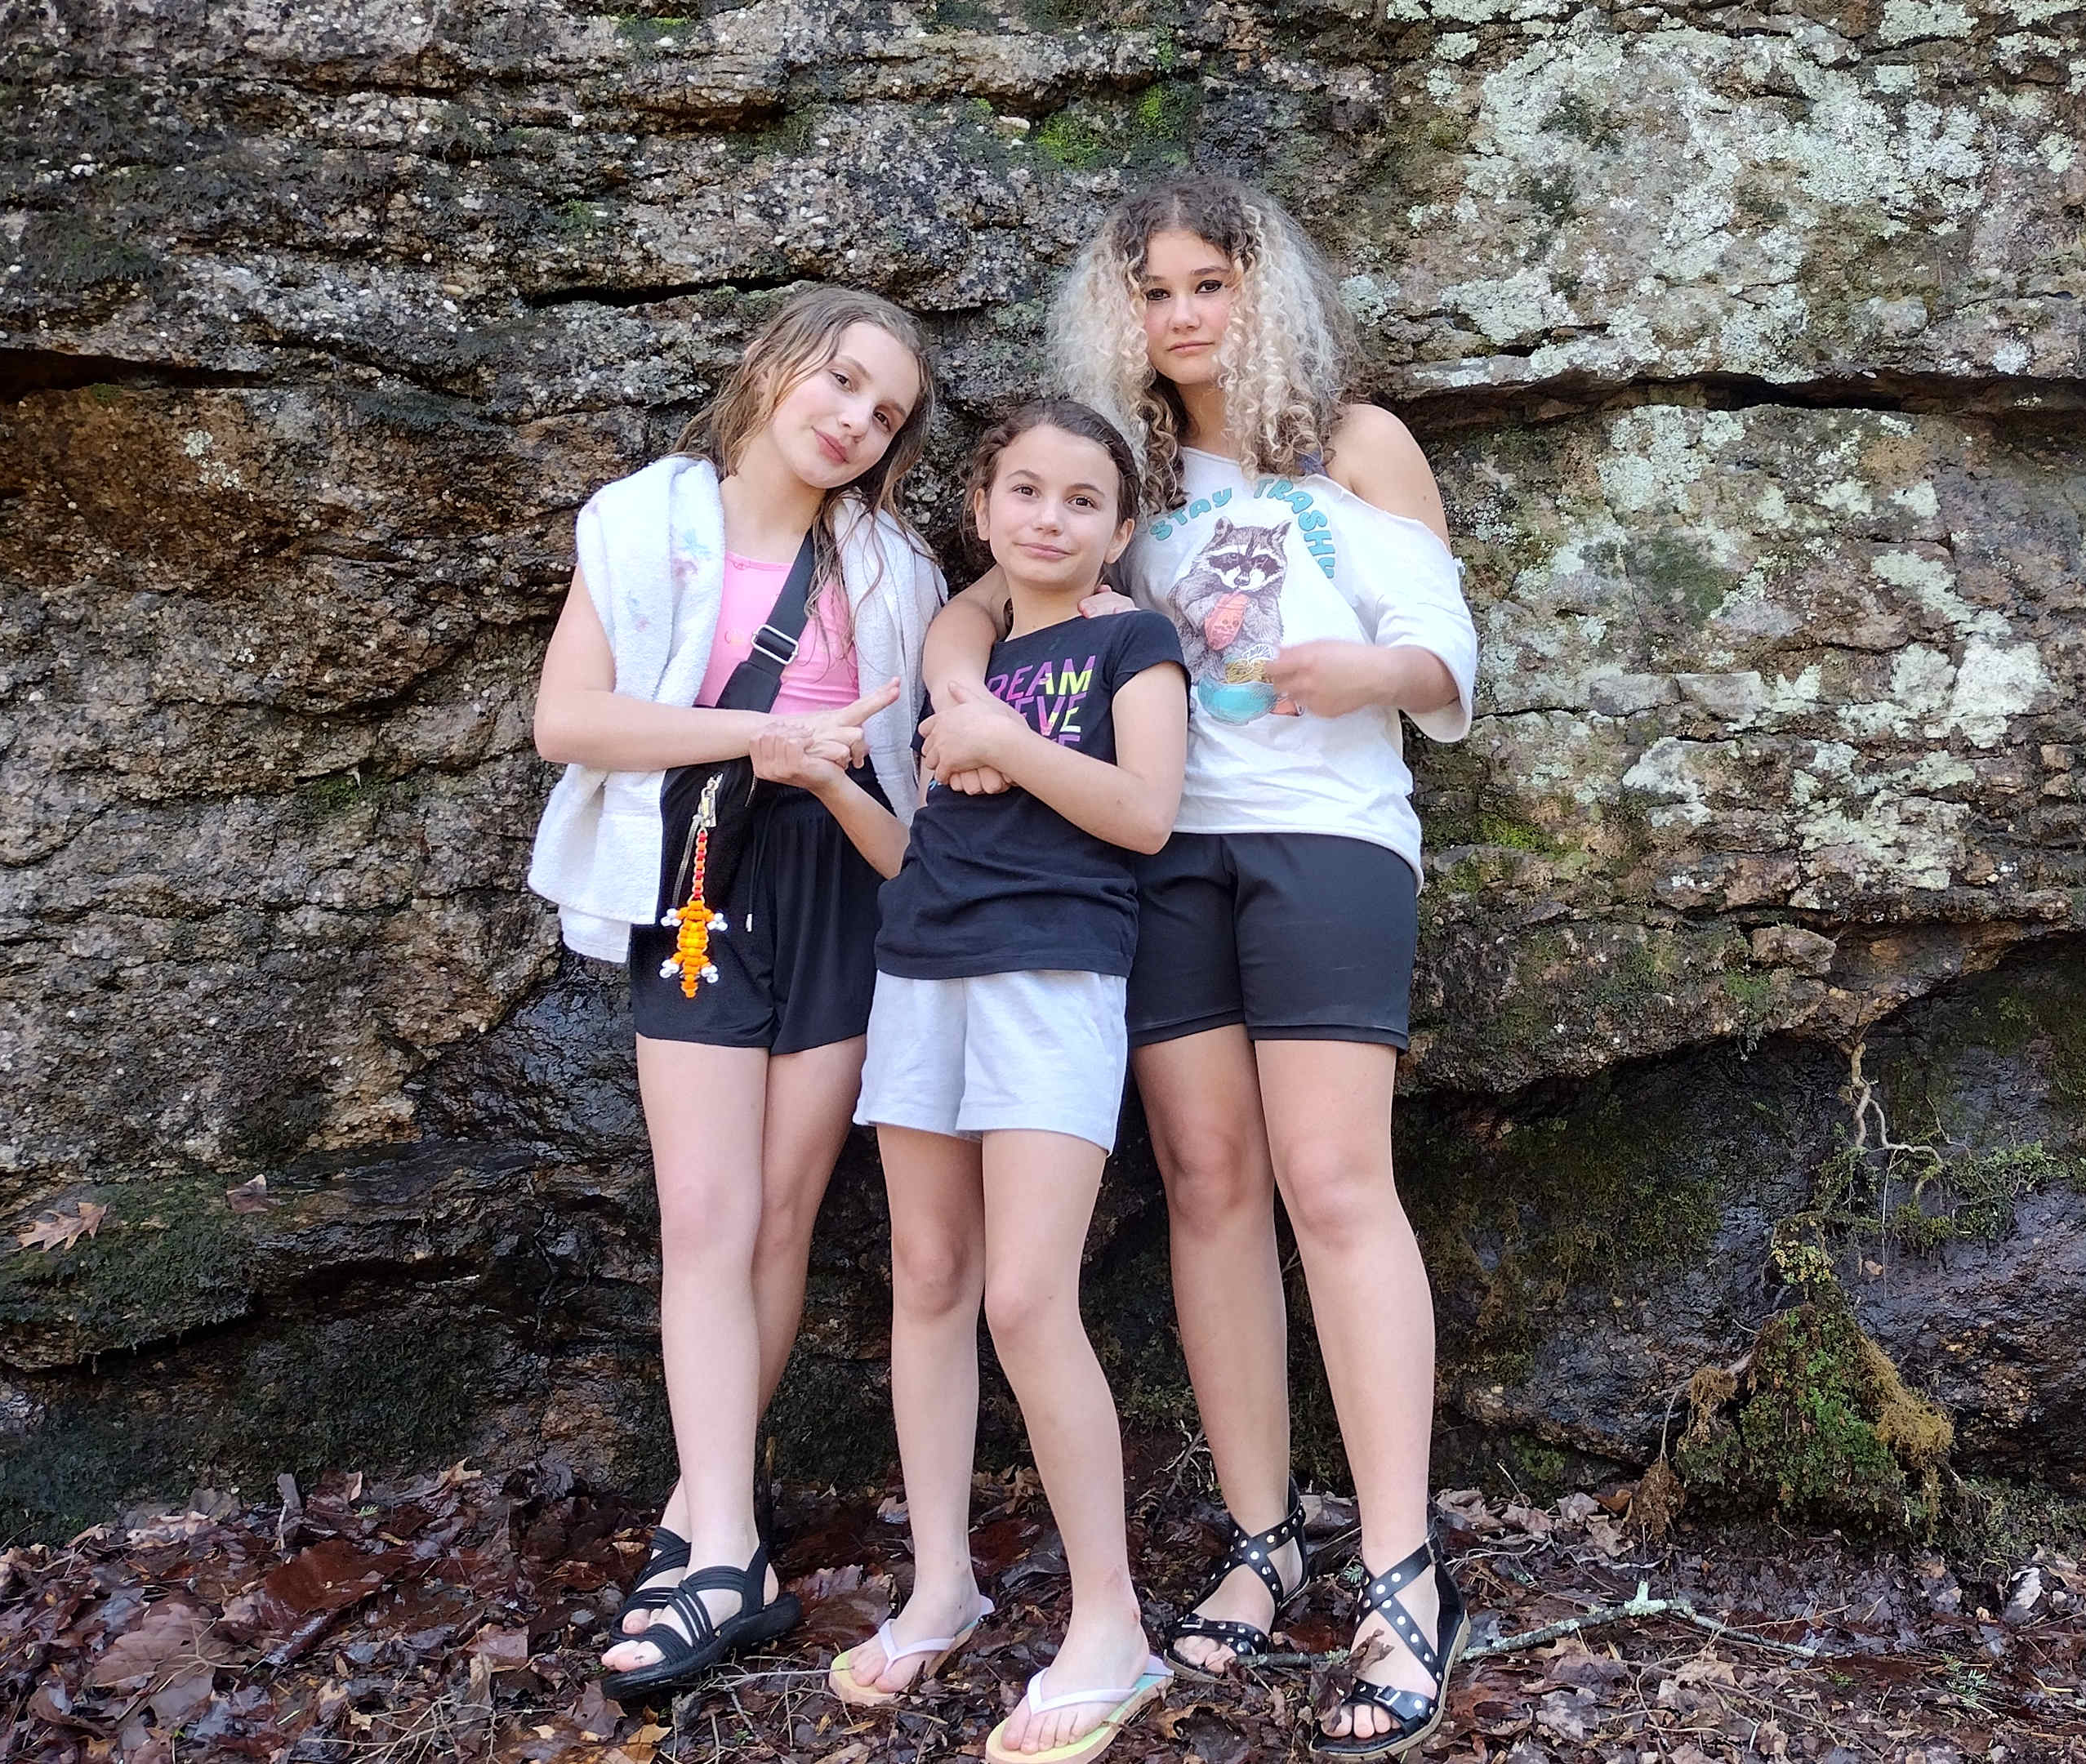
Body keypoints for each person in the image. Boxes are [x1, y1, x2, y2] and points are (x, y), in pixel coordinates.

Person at [923, 175, 1482, 1756]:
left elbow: (1446, 644)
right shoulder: (1125, 474)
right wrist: (964, 696)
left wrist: (1366, 668)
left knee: (1334, 1179)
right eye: (1153, 291)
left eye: (1209, 284)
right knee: (1207, 1178)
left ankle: (1402, 1575)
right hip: (1160, 855)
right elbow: (976, 610)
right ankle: (1262, 1537)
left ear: (1263, 293)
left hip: (1327, 839)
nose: (1181, 316)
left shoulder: (1355, 445)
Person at [525, 286, 941, 1696]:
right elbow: (568, 718)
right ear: (772, 364)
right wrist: (754, 735)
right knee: (703, 1213)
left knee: (778, 1213)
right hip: (700, 865)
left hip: (837, 879)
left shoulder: (889, 565)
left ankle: (706, 1528)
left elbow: (910, 751)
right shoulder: (643, 523)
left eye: (885, 413)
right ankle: (724, 1552)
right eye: (841, 381)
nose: (855, 421)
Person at [834, 401, 1191, 1764]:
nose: (1050, 517)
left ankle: (1111, 1626)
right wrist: (853, 778)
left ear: (1120, 525)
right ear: (981, 510)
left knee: (1028, 1295)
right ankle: (944, 1587)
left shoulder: (1133, 642)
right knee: (927, 1275)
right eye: (1024, 492)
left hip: (1054, 973)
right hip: (920, 966)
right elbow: (918, 842)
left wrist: (999, 736)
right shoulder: (964, 649)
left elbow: (1145, 815)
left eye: (1082, 499)